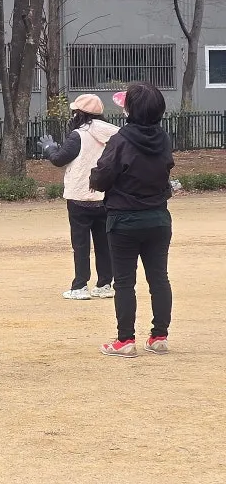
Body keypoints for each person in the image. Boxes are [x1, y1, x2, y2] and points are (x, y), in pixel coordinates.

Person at [90, 82, 175, 358]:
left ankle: (125, 340)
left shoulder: (121, 140)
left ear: (130, 110)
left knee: (125, 282)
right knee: (159, 278)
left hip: (124, 218)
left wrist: (94, 176)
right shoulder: (164, 139)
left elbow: (102, 177)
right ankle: (159, 336)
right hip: (158, 216)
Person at [39, 94, 120, 301]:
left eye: (75, 112)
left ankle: (80, 285)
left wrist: (50, 148)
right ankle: (105, 284)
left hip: (79, 196)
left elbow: (59, 159)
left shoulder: (79, 135)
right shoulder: (115, 133)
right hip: (105, 195)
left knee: (81, 243)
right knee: (104, 243)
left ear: (80, 114)